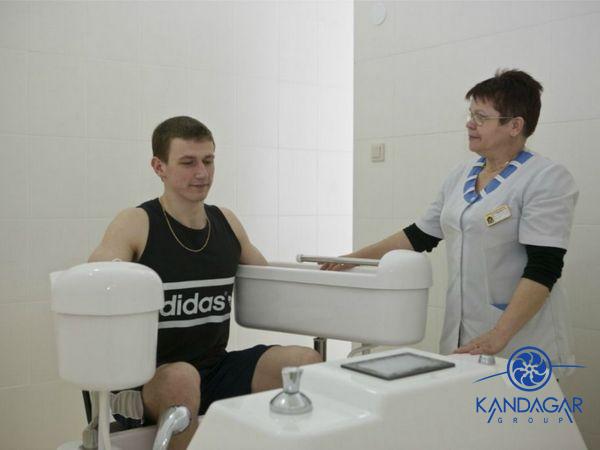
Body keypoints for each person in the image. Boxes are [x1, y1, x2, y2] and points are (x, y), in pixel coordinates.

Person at [89, 116, 321, 450]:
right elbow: (96, 279)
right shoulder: (137, 222)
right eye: (188, 163)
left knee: (304, 365)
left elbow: (273, 286)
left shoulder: (226, 221)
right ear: (159, 167)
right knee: (182, 377)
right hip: (150, 380)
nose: (202, 173)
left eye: (208, 161)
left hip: (214, 370)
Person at [323, 70, 578, 368]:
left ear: (514, 125)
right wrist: (353, 259)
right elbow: (420, 235)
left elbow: (544, 268)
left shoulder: (546, 179)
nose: (470, 124)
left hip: (521, 343)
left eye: (481, 117)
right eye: (471, 114)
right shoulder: (462, 174)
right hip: (464, 335)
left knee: (509, 401)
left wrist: (500, 334)